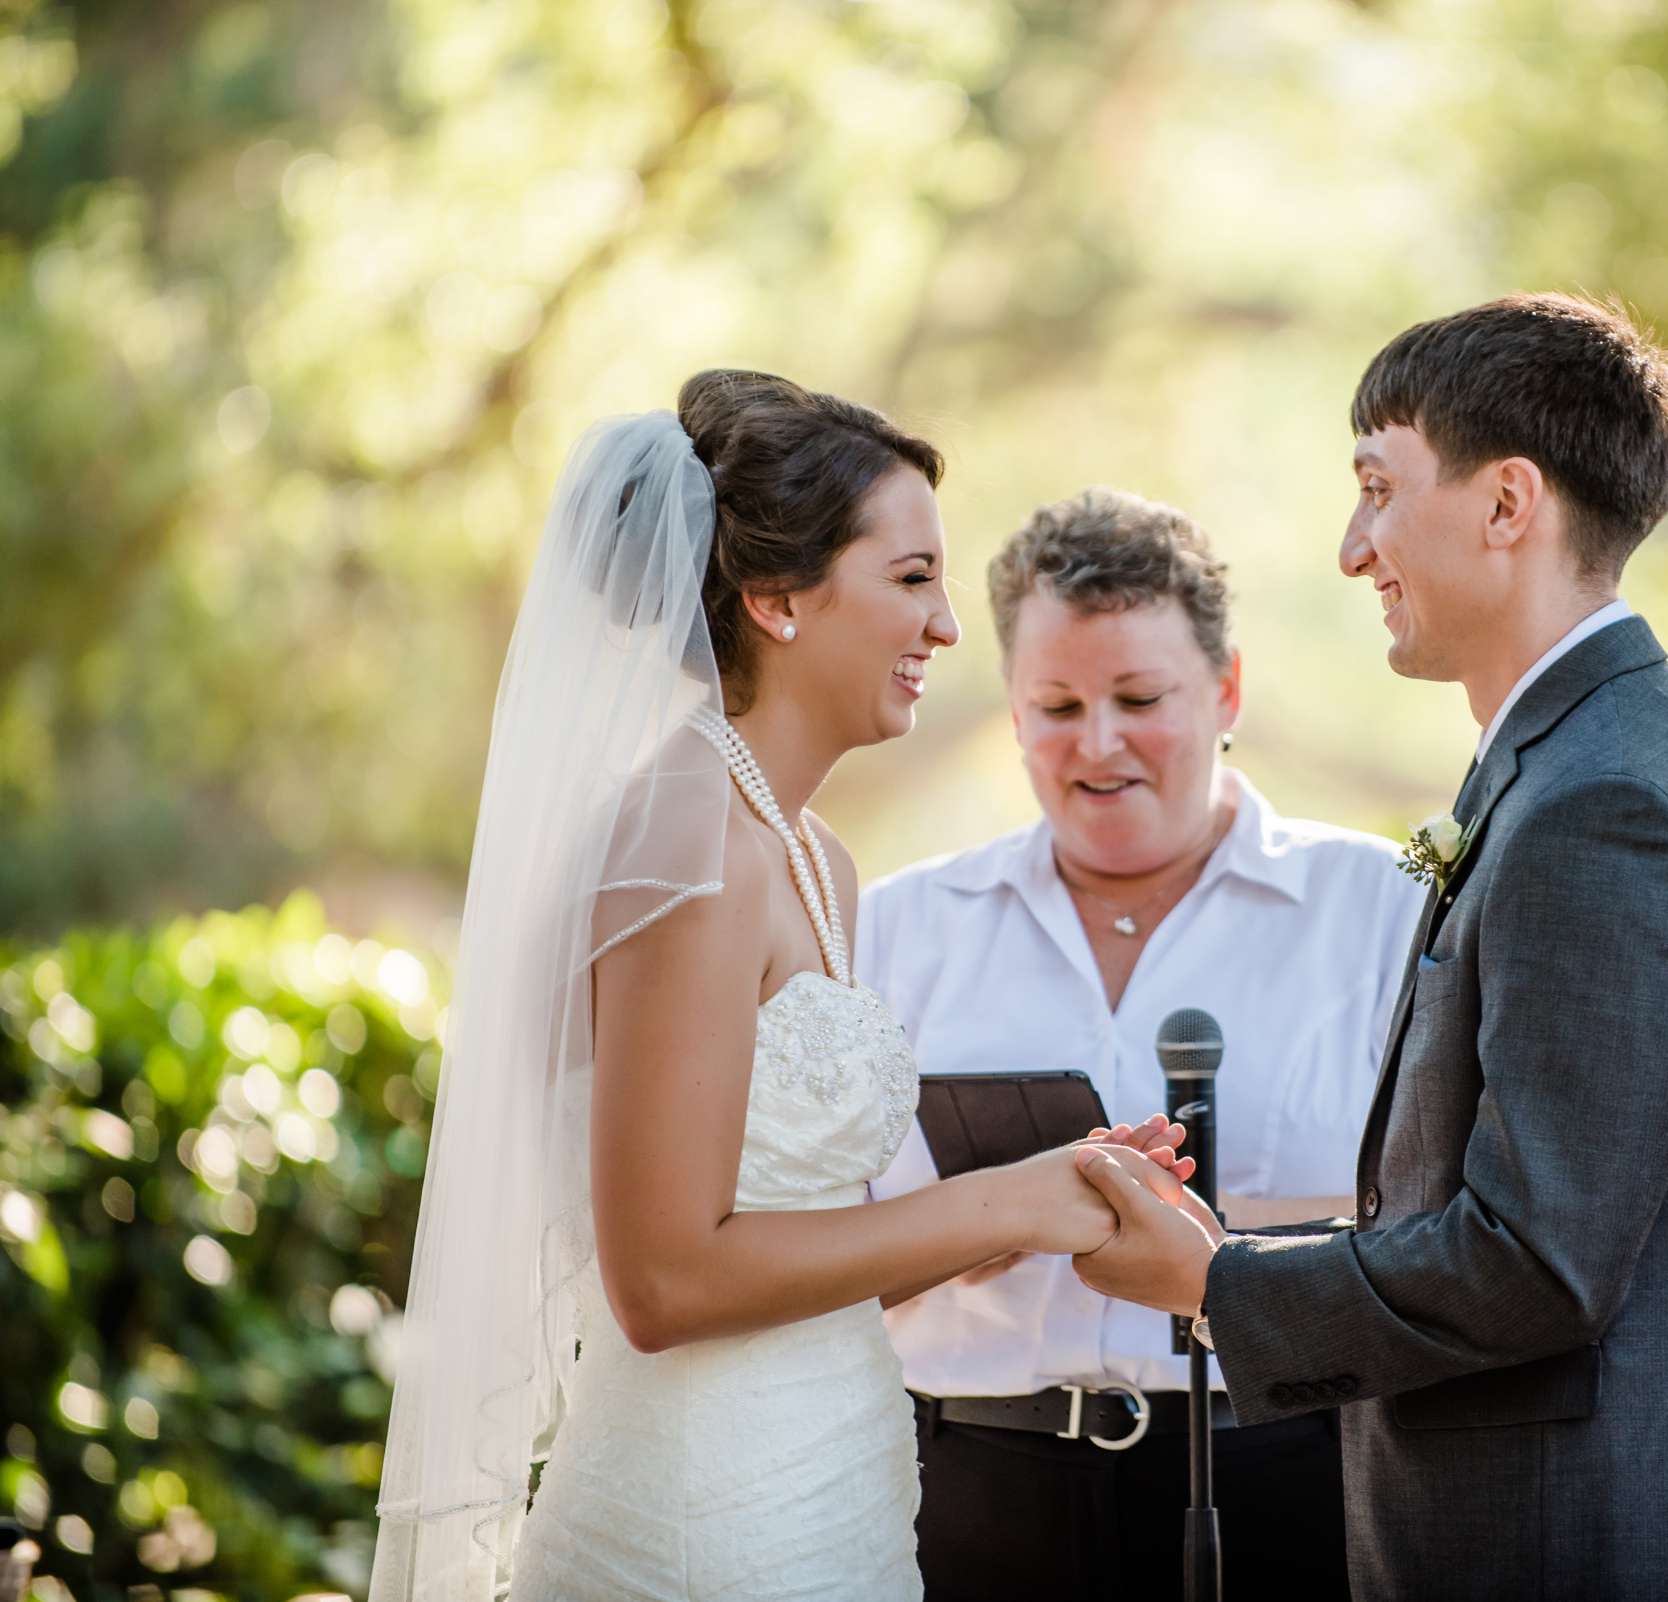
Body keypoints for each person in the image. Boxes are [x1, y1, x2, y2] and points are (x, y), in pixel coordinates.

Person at [368, 372, 1193, 1602]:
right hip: (703, 1522)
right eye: (912, 578)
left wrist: (1051, 1193)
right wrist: (1001, 1208)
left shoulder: (814, 859)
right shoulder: (684, 838)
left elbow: (800, 1251)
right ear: (776, 598)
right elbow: (663, 1283)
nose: (948, 628)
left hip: (837, 1485)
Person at [1073, 295, 1668, 1600]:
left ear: (1507, 503)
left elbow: (1537, 1261)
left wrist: (1217, 1284)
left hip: (1581, 1541)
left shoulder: (1605, 800)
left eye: (1376, 488)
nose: (1355, 548)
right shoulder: (1568, 761)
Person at [854, 487, 1421, 1600]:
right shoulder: (896, 928)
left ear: (1227, 691)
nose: (1098, 743)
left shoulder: (1384, 909)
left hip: (1290, 1481)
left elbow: (1443, 1235)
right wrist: (988, 1220)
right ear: (1011, 714)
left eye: (1139, 697)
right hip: (969, 1492)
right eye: (1057, 704)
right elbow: (808, 1256)